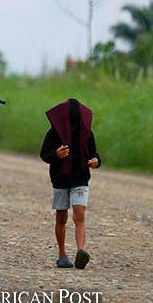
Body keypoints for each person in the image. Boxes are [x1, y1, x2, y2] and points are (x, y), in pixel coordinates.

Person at [40, 98, 100, 269]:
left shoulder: (87, 134)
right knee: (61, 217)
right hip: (60, 180)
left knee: (79, 214)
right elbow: (44, 154)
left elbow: (94, 154)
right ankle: (62, 253)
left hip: (80, 179)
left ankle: (81, 251)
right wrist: (56, 155)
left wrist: (96, 161)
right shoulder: (54, 134)